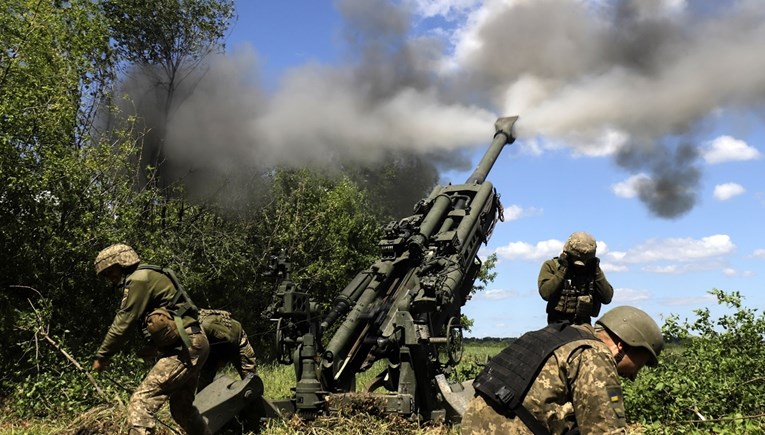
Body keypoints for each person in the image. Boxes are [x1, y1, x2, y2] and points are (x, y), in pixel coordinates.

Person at [462, 306, 664, 434]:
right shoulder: (595, 354)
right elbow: (605, 431)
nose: (634, 376)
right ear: (624, 344)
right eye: (641, 363)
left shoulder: (554, 337)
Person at [91, 243, 211, 435]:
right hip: (192, 343)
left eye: (109, 272)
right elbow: (168, 315)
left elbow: (124, 321)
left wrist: (102, 356)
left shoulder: (139, 279)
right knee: (182, 410)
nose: (110, 279)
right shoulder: (147, 275)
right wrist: (154, 346)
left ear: (121, 264)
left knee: (141, 402)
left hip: (186, 346)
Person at [538, 231, 614, 324]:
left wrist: (597, 271)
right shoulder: (552, 266)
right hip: (557, 324)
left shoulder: (593, 270)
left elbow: (606, 298)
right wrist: (562, 270)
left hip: (583, 323)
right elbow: (545, 293)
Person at [196, 309, 258, 392]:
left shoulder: (207, 326)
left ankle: (258, 402)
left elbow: (228, 340)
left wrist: (221, 360)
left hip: (237, 340)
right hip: (212, 349)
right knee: (203, 387)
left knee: (250, 379)